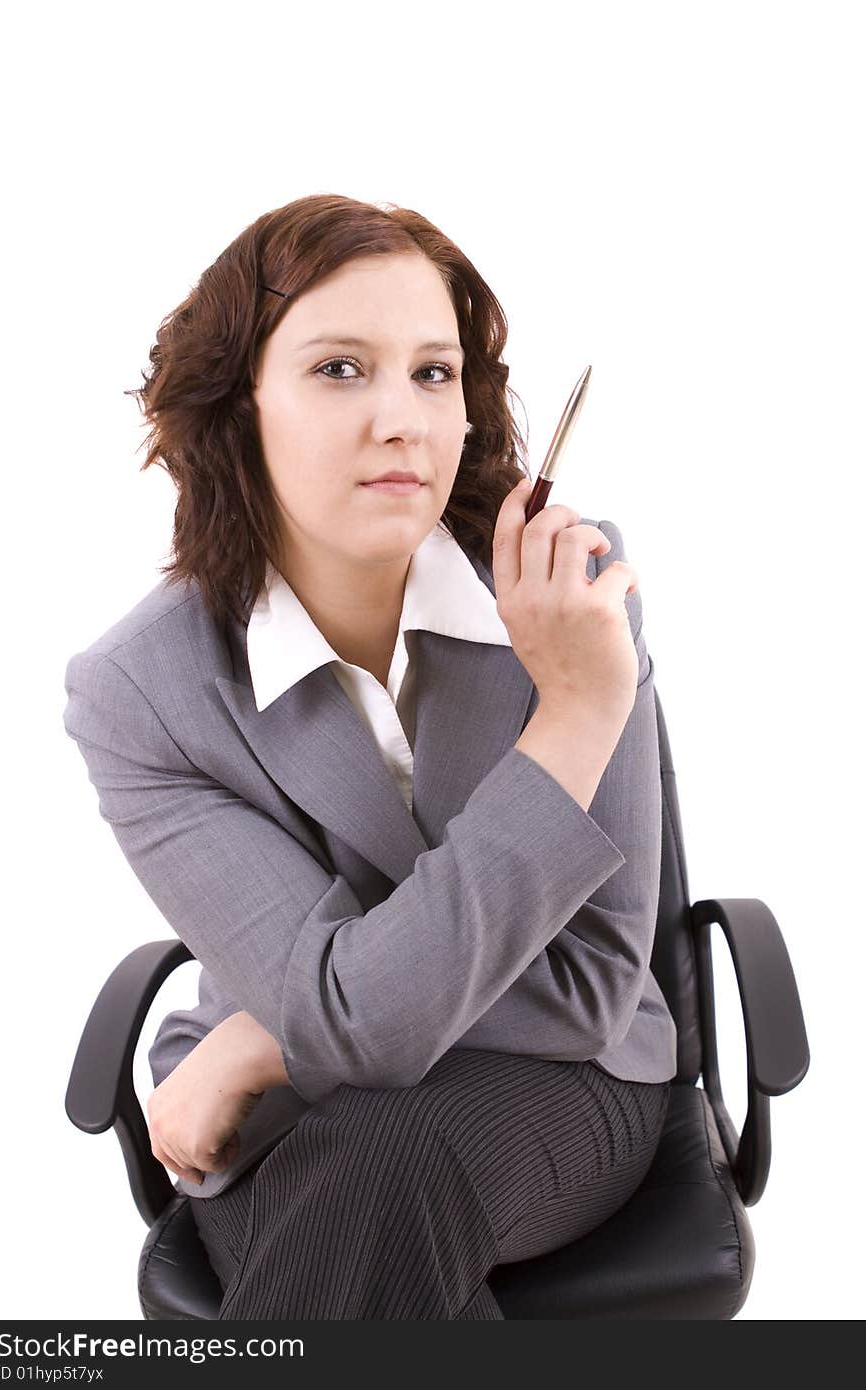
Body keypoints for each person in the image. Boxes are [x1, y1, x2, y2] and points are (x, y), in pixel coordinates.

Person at [62, 193, 676, 1320]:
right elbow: (351, 1019)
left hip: (562, 1084)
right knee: (375, 1193)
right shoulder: (143, 689)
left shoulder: (568, 590)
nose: (403, 420)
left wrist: (272, 1037)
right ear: (236, 408)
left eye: (434, 373)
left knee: (384, 1171)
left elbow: (589, 989)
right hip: (298, 1130)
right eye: (340, 369)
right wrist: (318, 1020)